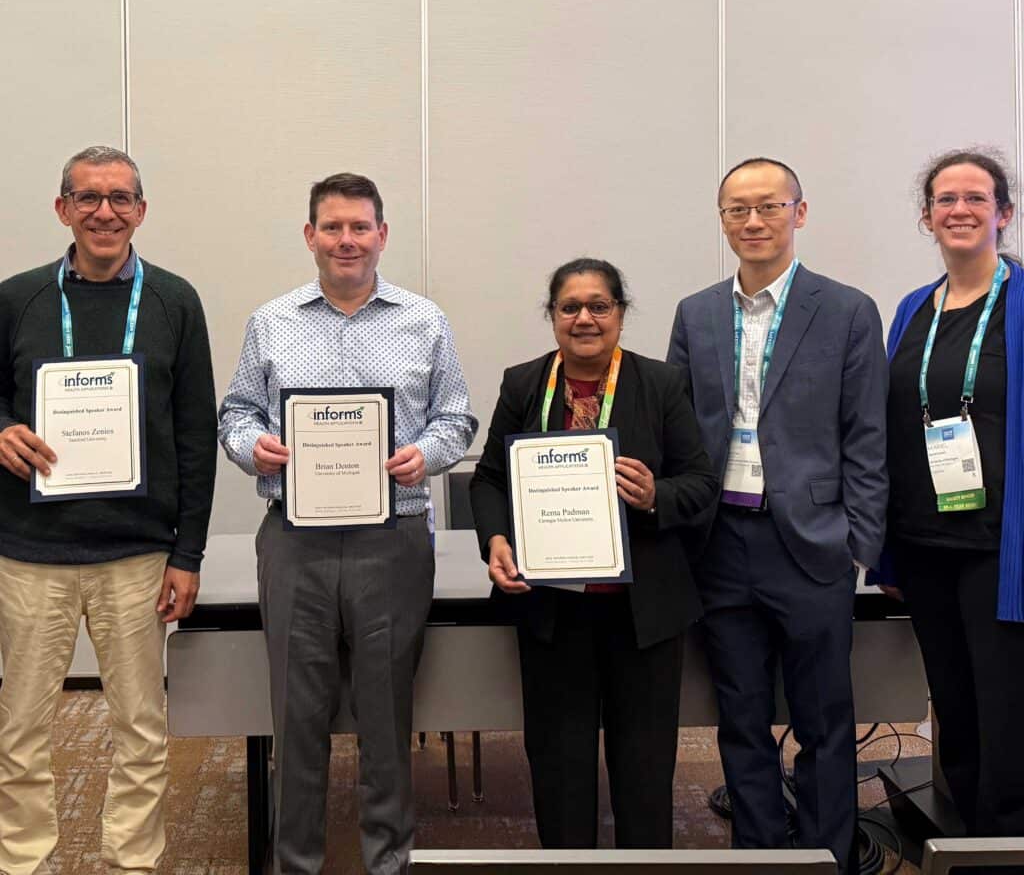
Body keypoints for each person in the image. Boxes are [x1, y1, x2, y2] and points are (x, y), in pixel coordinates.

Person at [218, 172, 476, 875]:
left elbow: (458, 417)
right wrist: (253, 448)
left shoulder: (424, 320)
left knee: (386, 718)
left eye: (360, 227)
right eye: (332, 227)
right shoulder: (271, 322)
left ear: (382, 235)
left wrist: (425, 454)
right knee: (296, 718)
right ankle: (296, 863)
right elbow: (236, 413)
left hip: (390, 542)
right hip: (294, 541)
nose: (346, 240)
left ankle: (387, 861)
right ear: (310, 236)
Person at [0, 146, 217, 875]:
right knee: (21, 731)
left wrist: (188, 554)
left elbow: (195, 434)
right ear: (62, 208)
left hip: (138, 554)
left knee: (140, 730)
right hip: (30, 554)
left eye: (120, 198)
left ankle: (132, 863)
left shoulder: (174, 302)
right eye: (88, 197)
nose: (104, 212)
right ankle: (24, 863)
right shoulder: (16, 298)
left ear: (141, 212)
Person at [667, 158, 887, 873]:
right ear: (722, 219)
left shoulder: (848, 310)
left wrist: (861, 545)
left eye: (769, 206)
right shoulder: (695, 313)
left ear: (800, 211)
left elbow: (866, 436)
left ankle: (829, 857)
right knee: (741, 719)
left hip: (813, 544)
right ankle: (759, 858)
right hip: (720, 541)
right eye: (737, 209)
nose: (753, 221)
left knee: (825, 721)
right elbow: (676, 430)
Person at [471, 258, 718, 849]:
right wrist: (496, 538)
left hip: (643, 612)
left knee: (645, 764)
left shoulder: (660, 384)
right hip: (553, 609)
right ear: (553, 316)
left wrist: (657, 493)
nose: (584, 318)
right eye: (570, 307)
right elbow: (487, 480)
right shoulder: (524, 382)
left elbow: (702, 483)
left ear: (621, 314)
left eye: (599, 306)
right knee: (558, 762)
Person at [882, 149, 1024, 837]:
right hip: (923, 540)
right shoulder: (914, 308)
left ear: (1003, 213)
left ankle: (1005, 840)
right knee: (955, 705)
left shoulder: (1022, 301)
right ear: (926, 217)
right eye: (945, 199)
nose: (959, 210)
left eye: (975, 197)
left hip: (1001, 543)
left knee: (1007, 707)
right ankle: (969, 838)